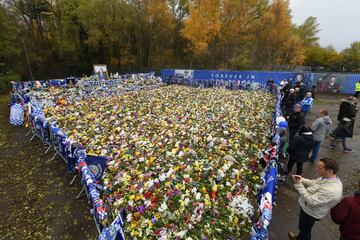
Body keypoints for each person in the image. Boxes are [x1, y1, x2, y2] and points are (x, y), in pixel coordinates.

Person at [288, 158, 343, 240]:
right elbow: (315, 182)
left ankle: (301, 238)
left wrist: (298, 184)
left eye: (320, 168)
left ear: (330, 171)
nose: (316, 169)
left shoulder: (331, 190)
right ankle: (299, 237)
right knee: (303, 228)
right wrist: (302, 180)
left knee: (305, 230)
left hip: (311, 213)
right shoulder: (328, 178)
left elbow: (311, 201)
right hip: (309, 209)